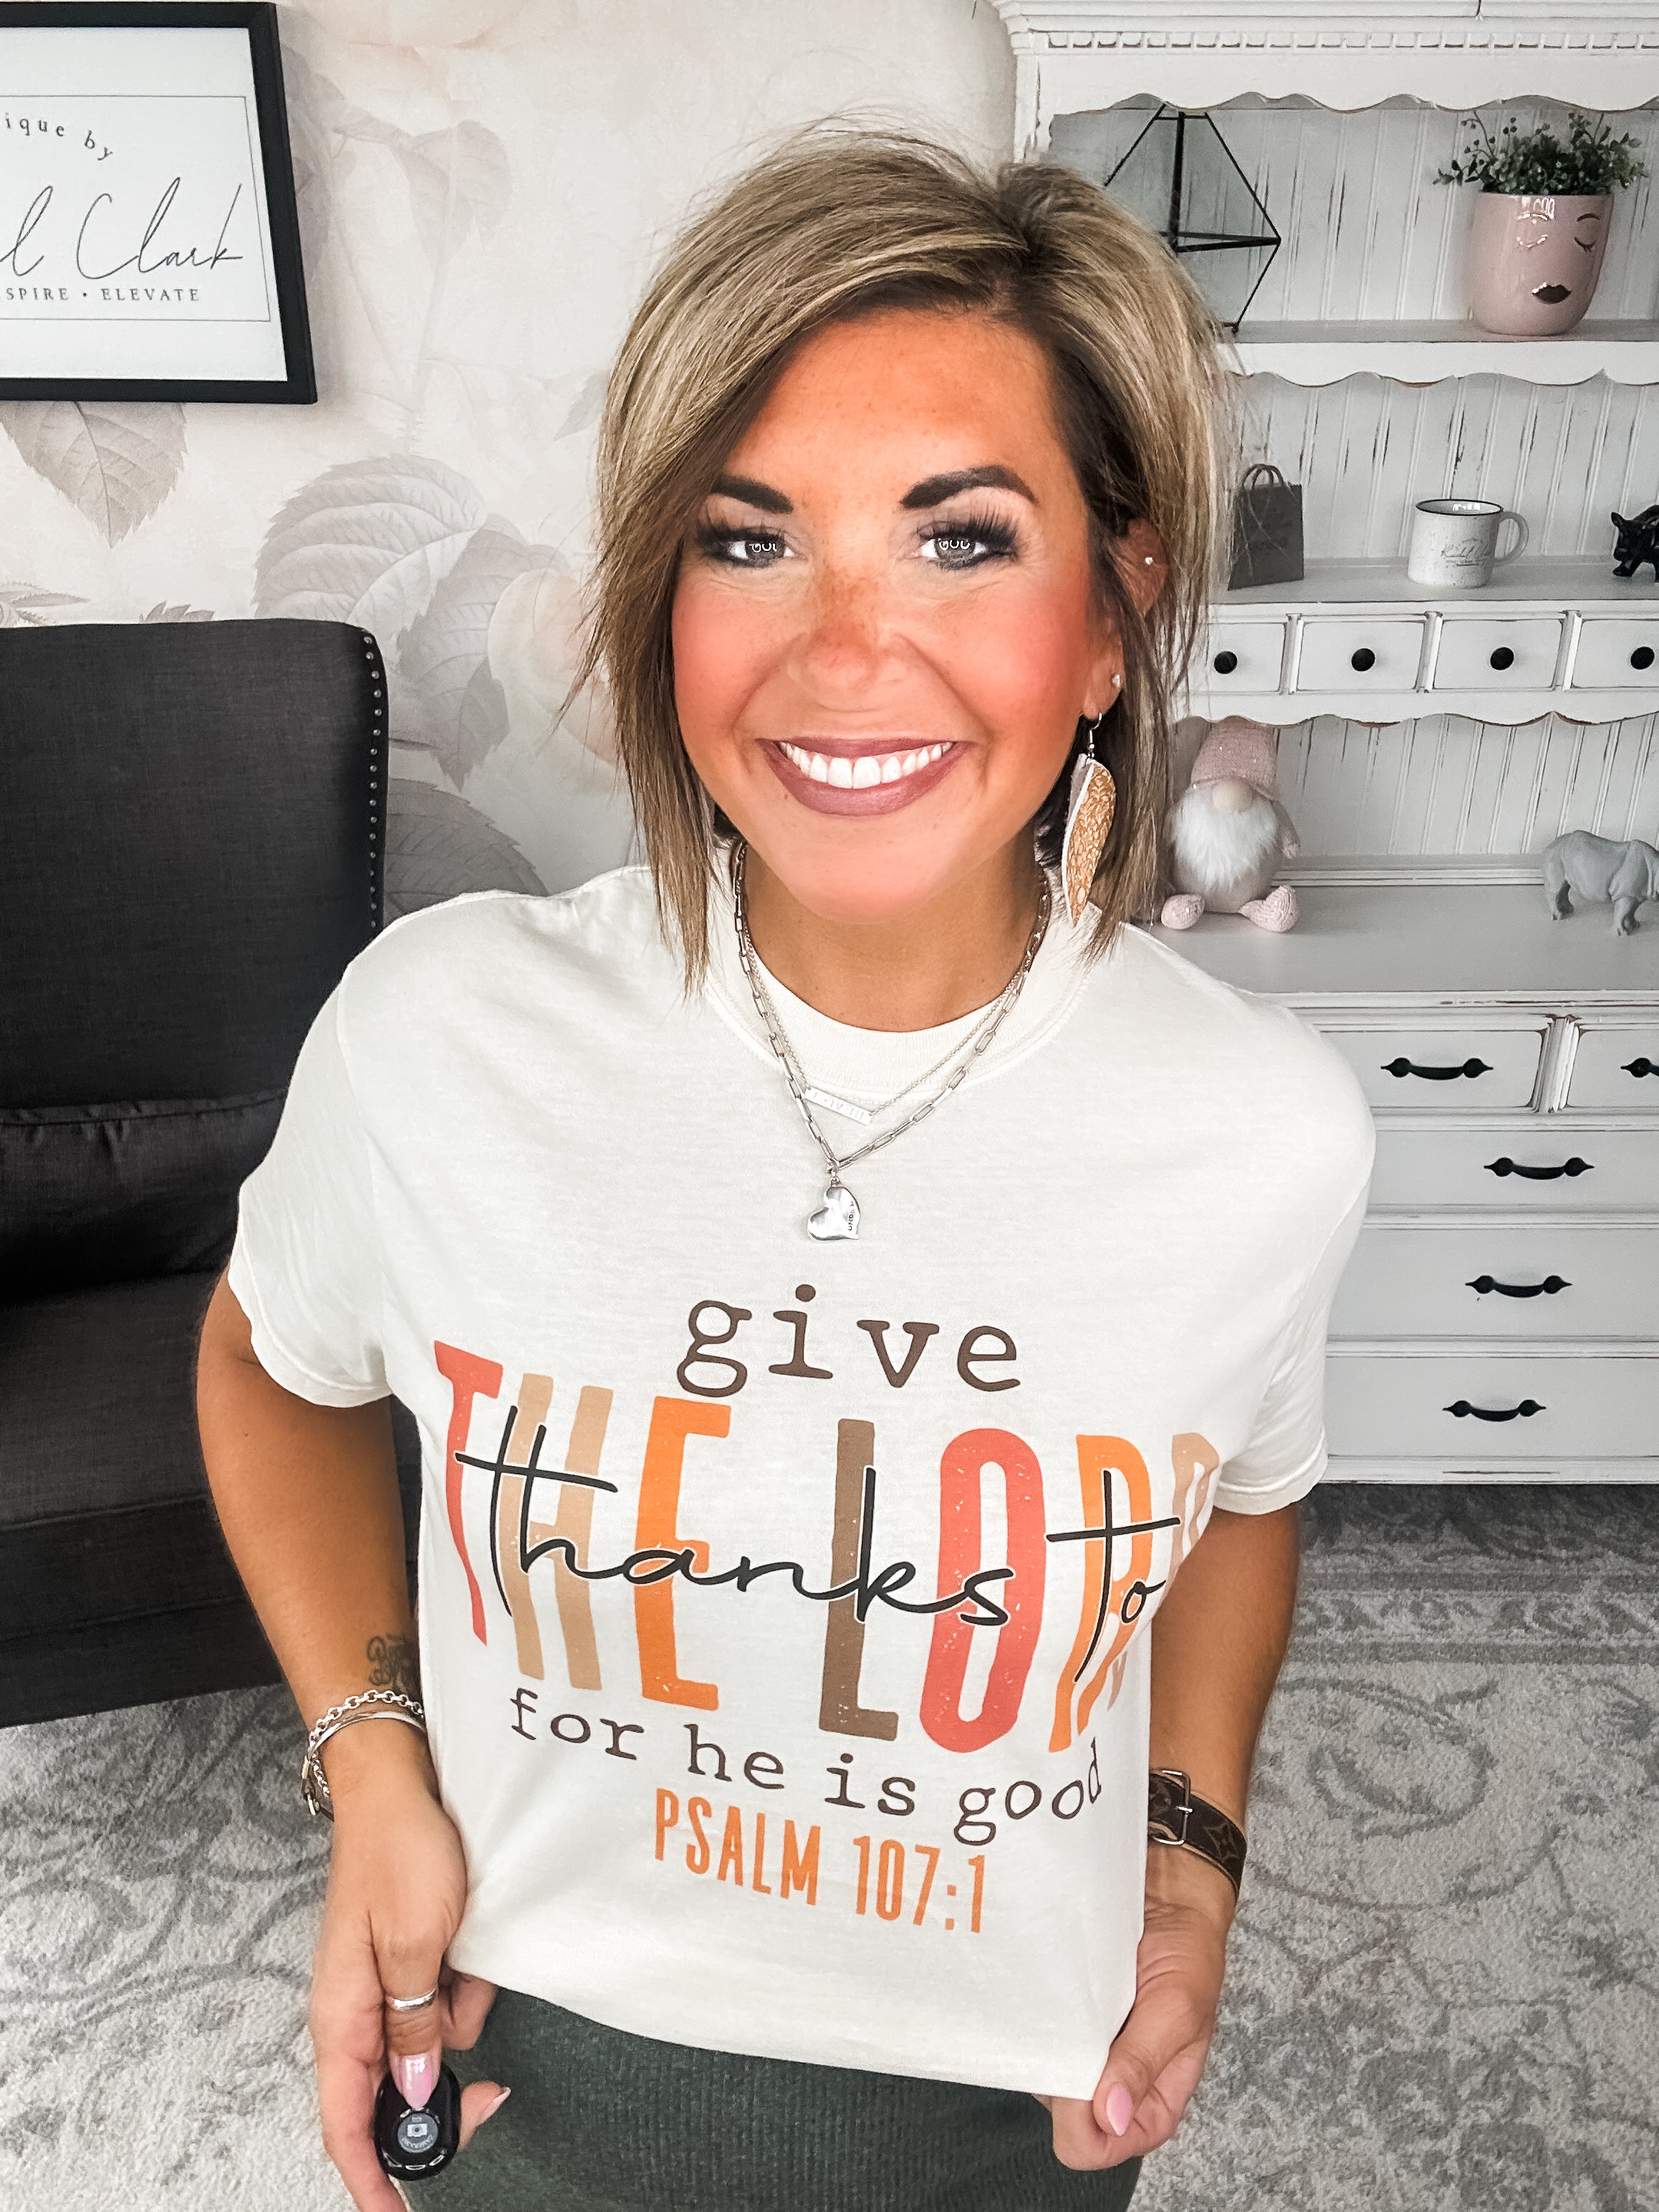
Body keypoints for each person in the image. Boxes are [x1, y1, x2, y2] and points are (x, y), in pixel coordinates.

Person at [196, 129, 1373, 2212]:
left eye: (959, 541)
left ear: (1113, 618)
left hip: (1006, 2116)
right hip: (525, 2073)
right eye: (747, 542)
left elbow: (1237, 1501)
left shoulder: (1260, 1130)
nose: (843, 648)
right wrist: (369, 1764)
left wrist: (1189, 1865)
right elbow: (269, 1362)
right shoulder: (441, 1035)